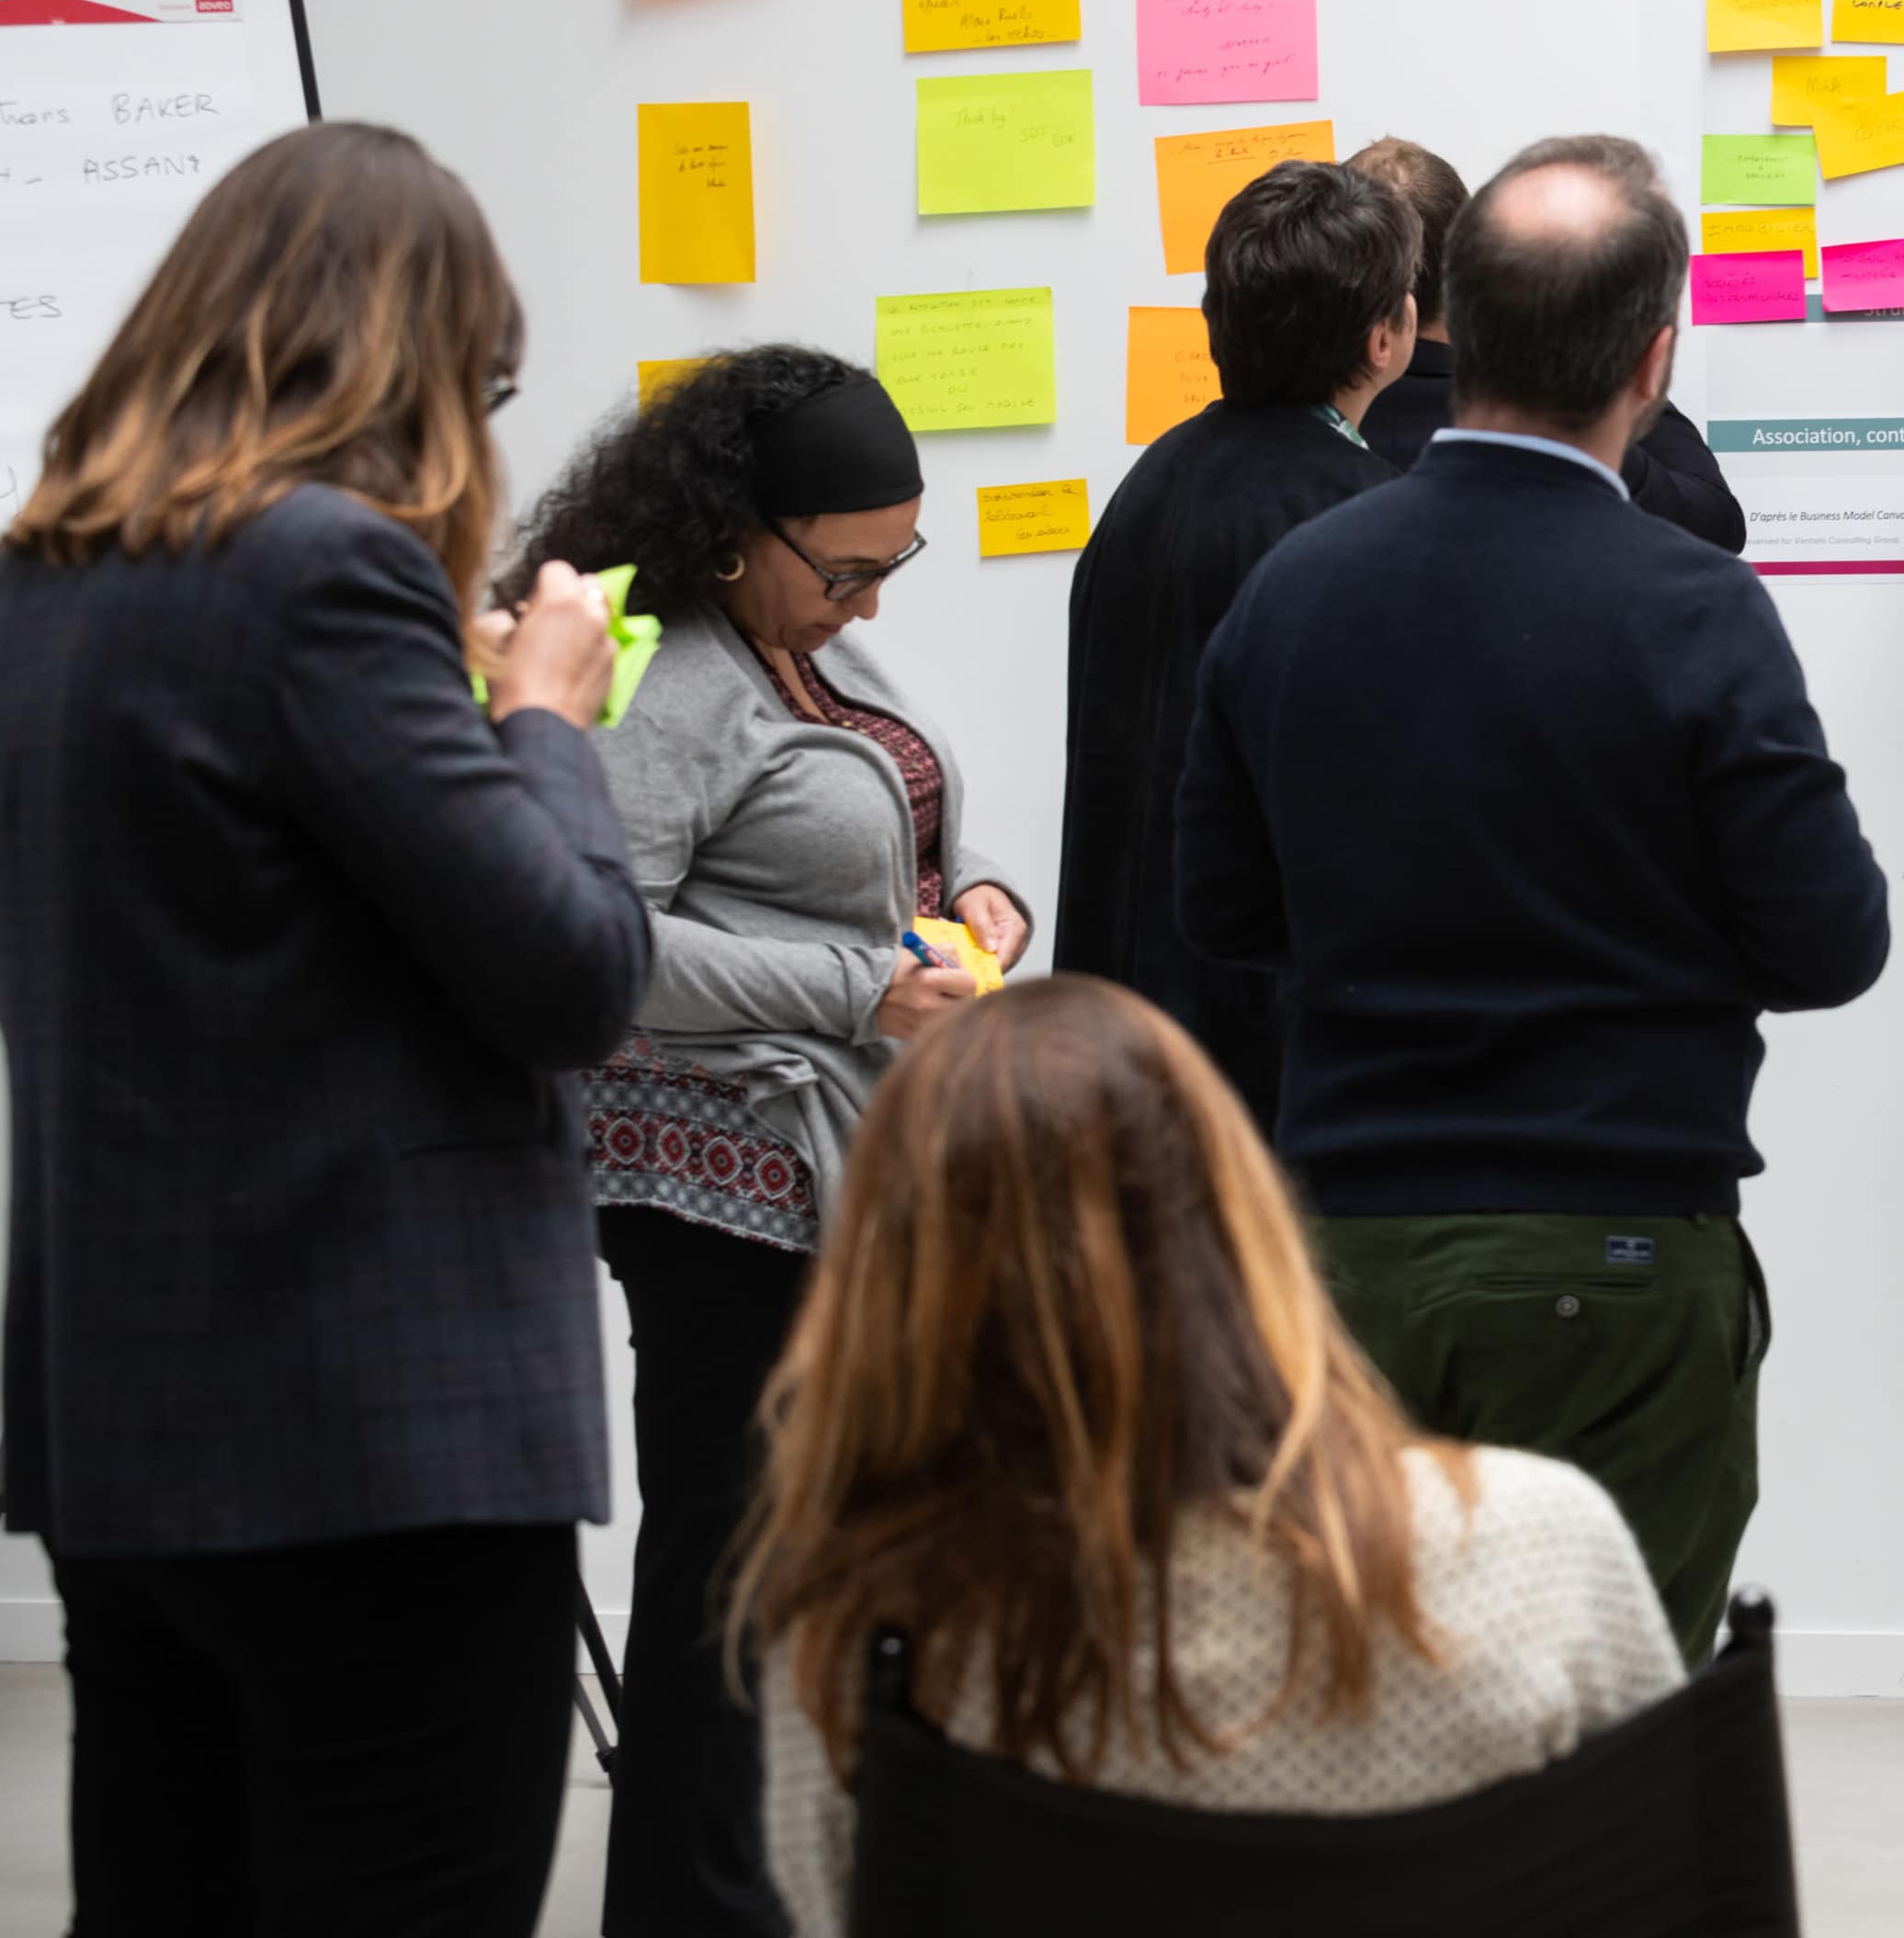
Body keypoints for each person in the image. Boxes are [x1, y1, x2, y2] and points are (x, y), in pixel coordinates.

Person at [0, 122, 653, 1931]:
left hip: (125, 1423)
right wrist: (544, 713)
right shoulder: (323, 574)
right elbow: (573, 974)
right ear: (419, 362)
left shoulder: (41, 584)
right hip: (376, 1443)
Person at [1176, 134, 1888, 1660]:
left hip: (1348, 1245)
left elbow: (1221, 910)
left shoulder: (1293, 588)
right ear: (1655, 361)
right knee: (1598, 1763)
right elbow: (1831, 942)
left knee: (1364, 1722)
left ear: (1447, 325)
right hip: (1618, 1254)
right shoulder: (1696, 608)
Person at [740, 979, 1684, 1933]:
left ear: (886, 1280)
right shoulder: (1538, 1545)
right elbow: (1678, 1886)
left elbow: (840, 1912)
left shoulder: (855, 1623)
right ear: (1242, 1217)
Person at [505, 347, 1032, 1938]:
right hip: (722, 1192)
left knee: (804, 1578)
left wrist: (984, 893)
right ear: (736, 532)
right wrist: (863, 985)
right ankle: (689, 1911)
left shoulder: (795, 643)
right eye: (851, 568)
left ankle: (770, 1891)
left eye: (897, 565)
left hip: (847, 1173)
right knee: (727, 1593)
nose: (871, 605)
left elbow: (896, 808)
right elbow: (608, 944)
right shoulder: (660, 684)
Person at [1054, 158, 1416, 1116]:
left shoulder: (1150, 485)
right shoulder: (1370, 524)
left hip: (1120, 1041)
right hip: (1274, 1060)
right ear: (1389, 336)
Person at [1350, 134, 1748, 550]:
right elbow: (1716, 524)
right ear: (1469, 262)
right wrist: (1600, 415)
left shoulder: (1303, 423)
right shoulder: (1542, 401)